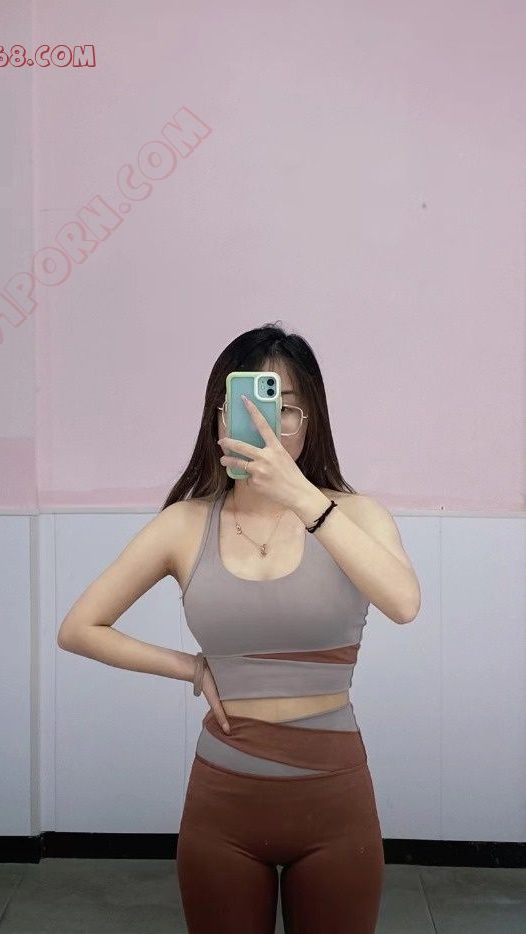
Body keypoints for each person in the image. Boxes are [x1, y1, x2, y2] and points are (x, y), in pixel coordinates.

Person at [57, 322, 420, 933]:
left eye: (284, 407)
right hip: (223, 803)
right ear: (219, 418)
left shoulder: (355, 515)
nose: (266, 424)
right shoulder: (184, 524)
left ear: (310, 421)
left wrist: (303, 498)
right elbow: (79, 627)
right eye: (247, 405)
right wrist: (191, 667)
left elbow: (404, 603)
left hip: (335, 802)